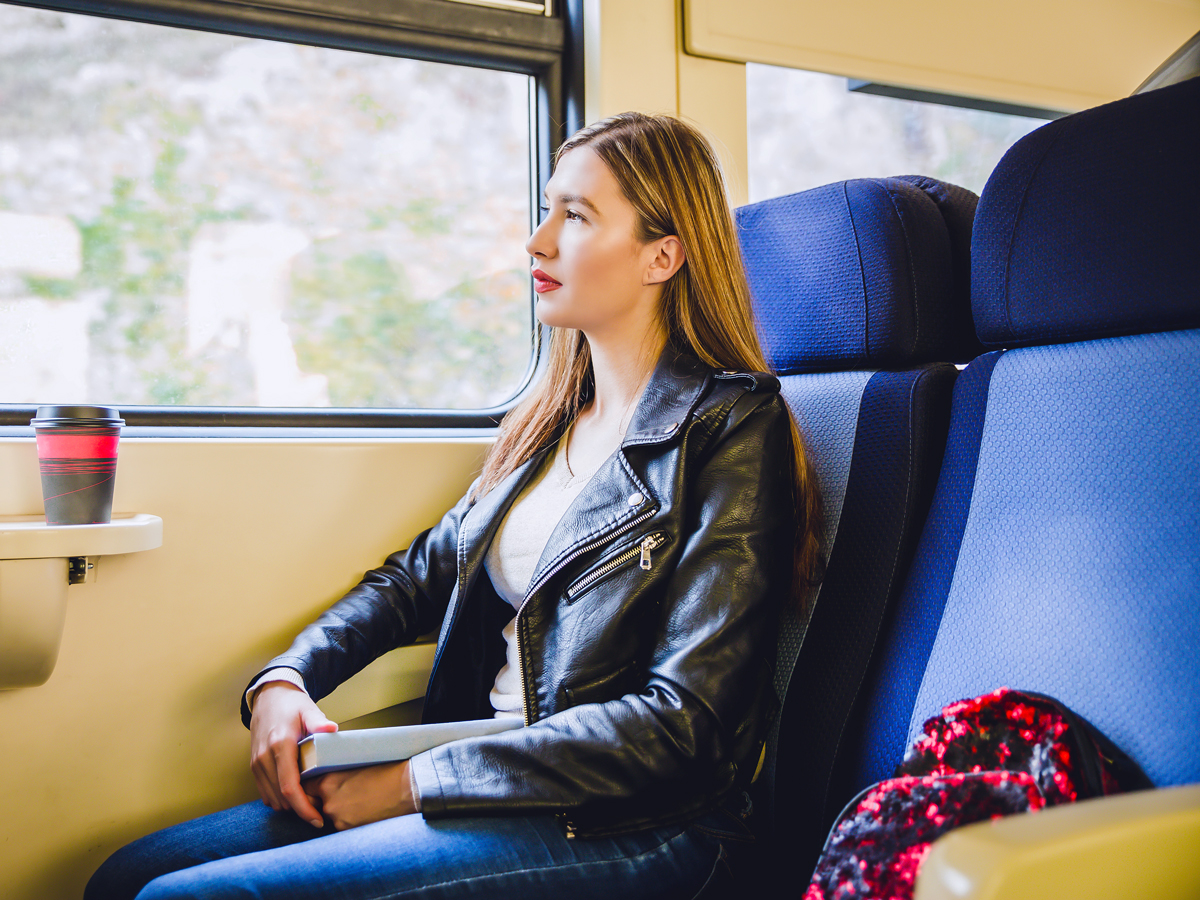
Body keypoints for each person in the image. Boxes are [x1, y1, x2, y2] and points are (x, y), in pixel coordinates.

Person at [85, 112, 821, 900]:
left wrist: (415, 782)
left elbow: (684, 725)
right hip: (489, 778)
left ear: (661, 255)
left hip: (639, 820)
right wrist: (286, 679)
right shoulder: (548, 423)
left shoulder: (734, 428)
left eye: (574, 216)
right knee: (126, 876)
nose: (537, 243)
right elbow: (413, 583)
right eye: (547, 211)